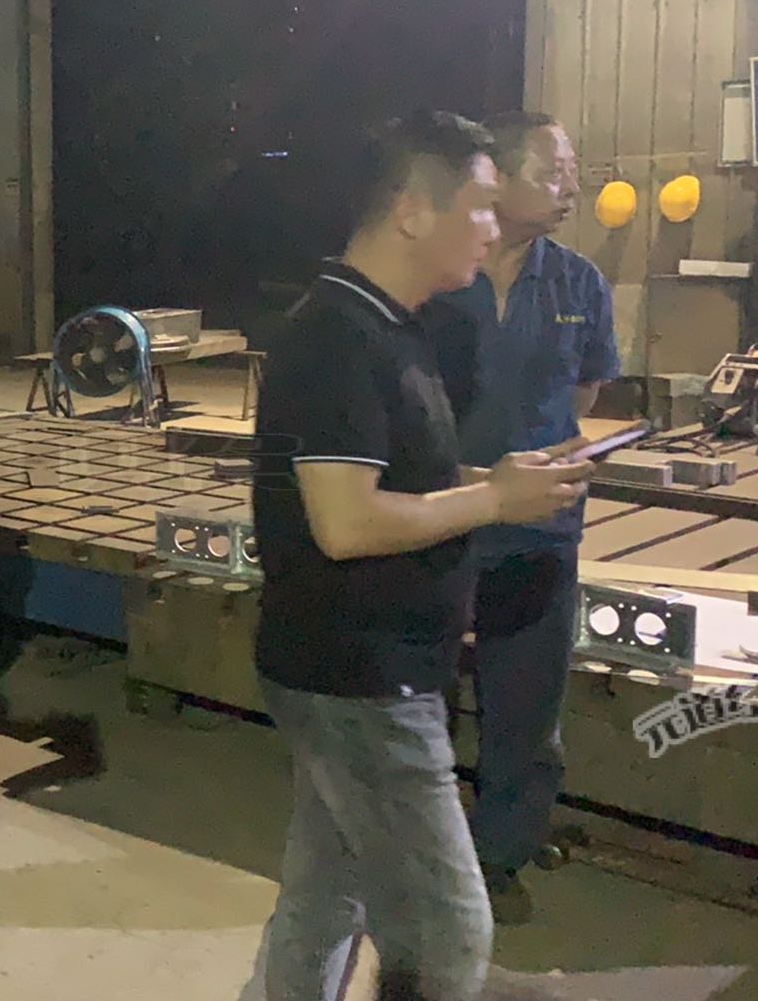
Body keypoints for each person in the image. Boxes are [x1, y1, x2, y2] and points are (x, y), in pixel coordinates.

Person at [248, 111, 595, 1001]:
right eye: (478, 204)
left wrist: (499, 479)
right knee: (446, 934)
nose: (492, 223)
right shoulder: (338, 337)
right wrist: (494, 501)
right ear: (411, 211)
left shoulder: (396, 328)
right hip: (362, 678)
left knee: (326, 900)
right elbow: (345, 522)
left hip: (368, 668)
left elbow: (404, 478)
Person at [422, 112, 617, 925]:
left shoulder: (579, 284)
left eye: (572, 172)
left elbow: (585, 393)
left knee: (526, 710)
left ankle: (499, 856)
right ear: (495, 177)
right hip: (436, 523)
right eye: (552, 172)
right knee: (422, 701)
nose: (571, 188)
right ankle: (424, 854)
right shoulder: (438, 280)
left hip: (540, 530)